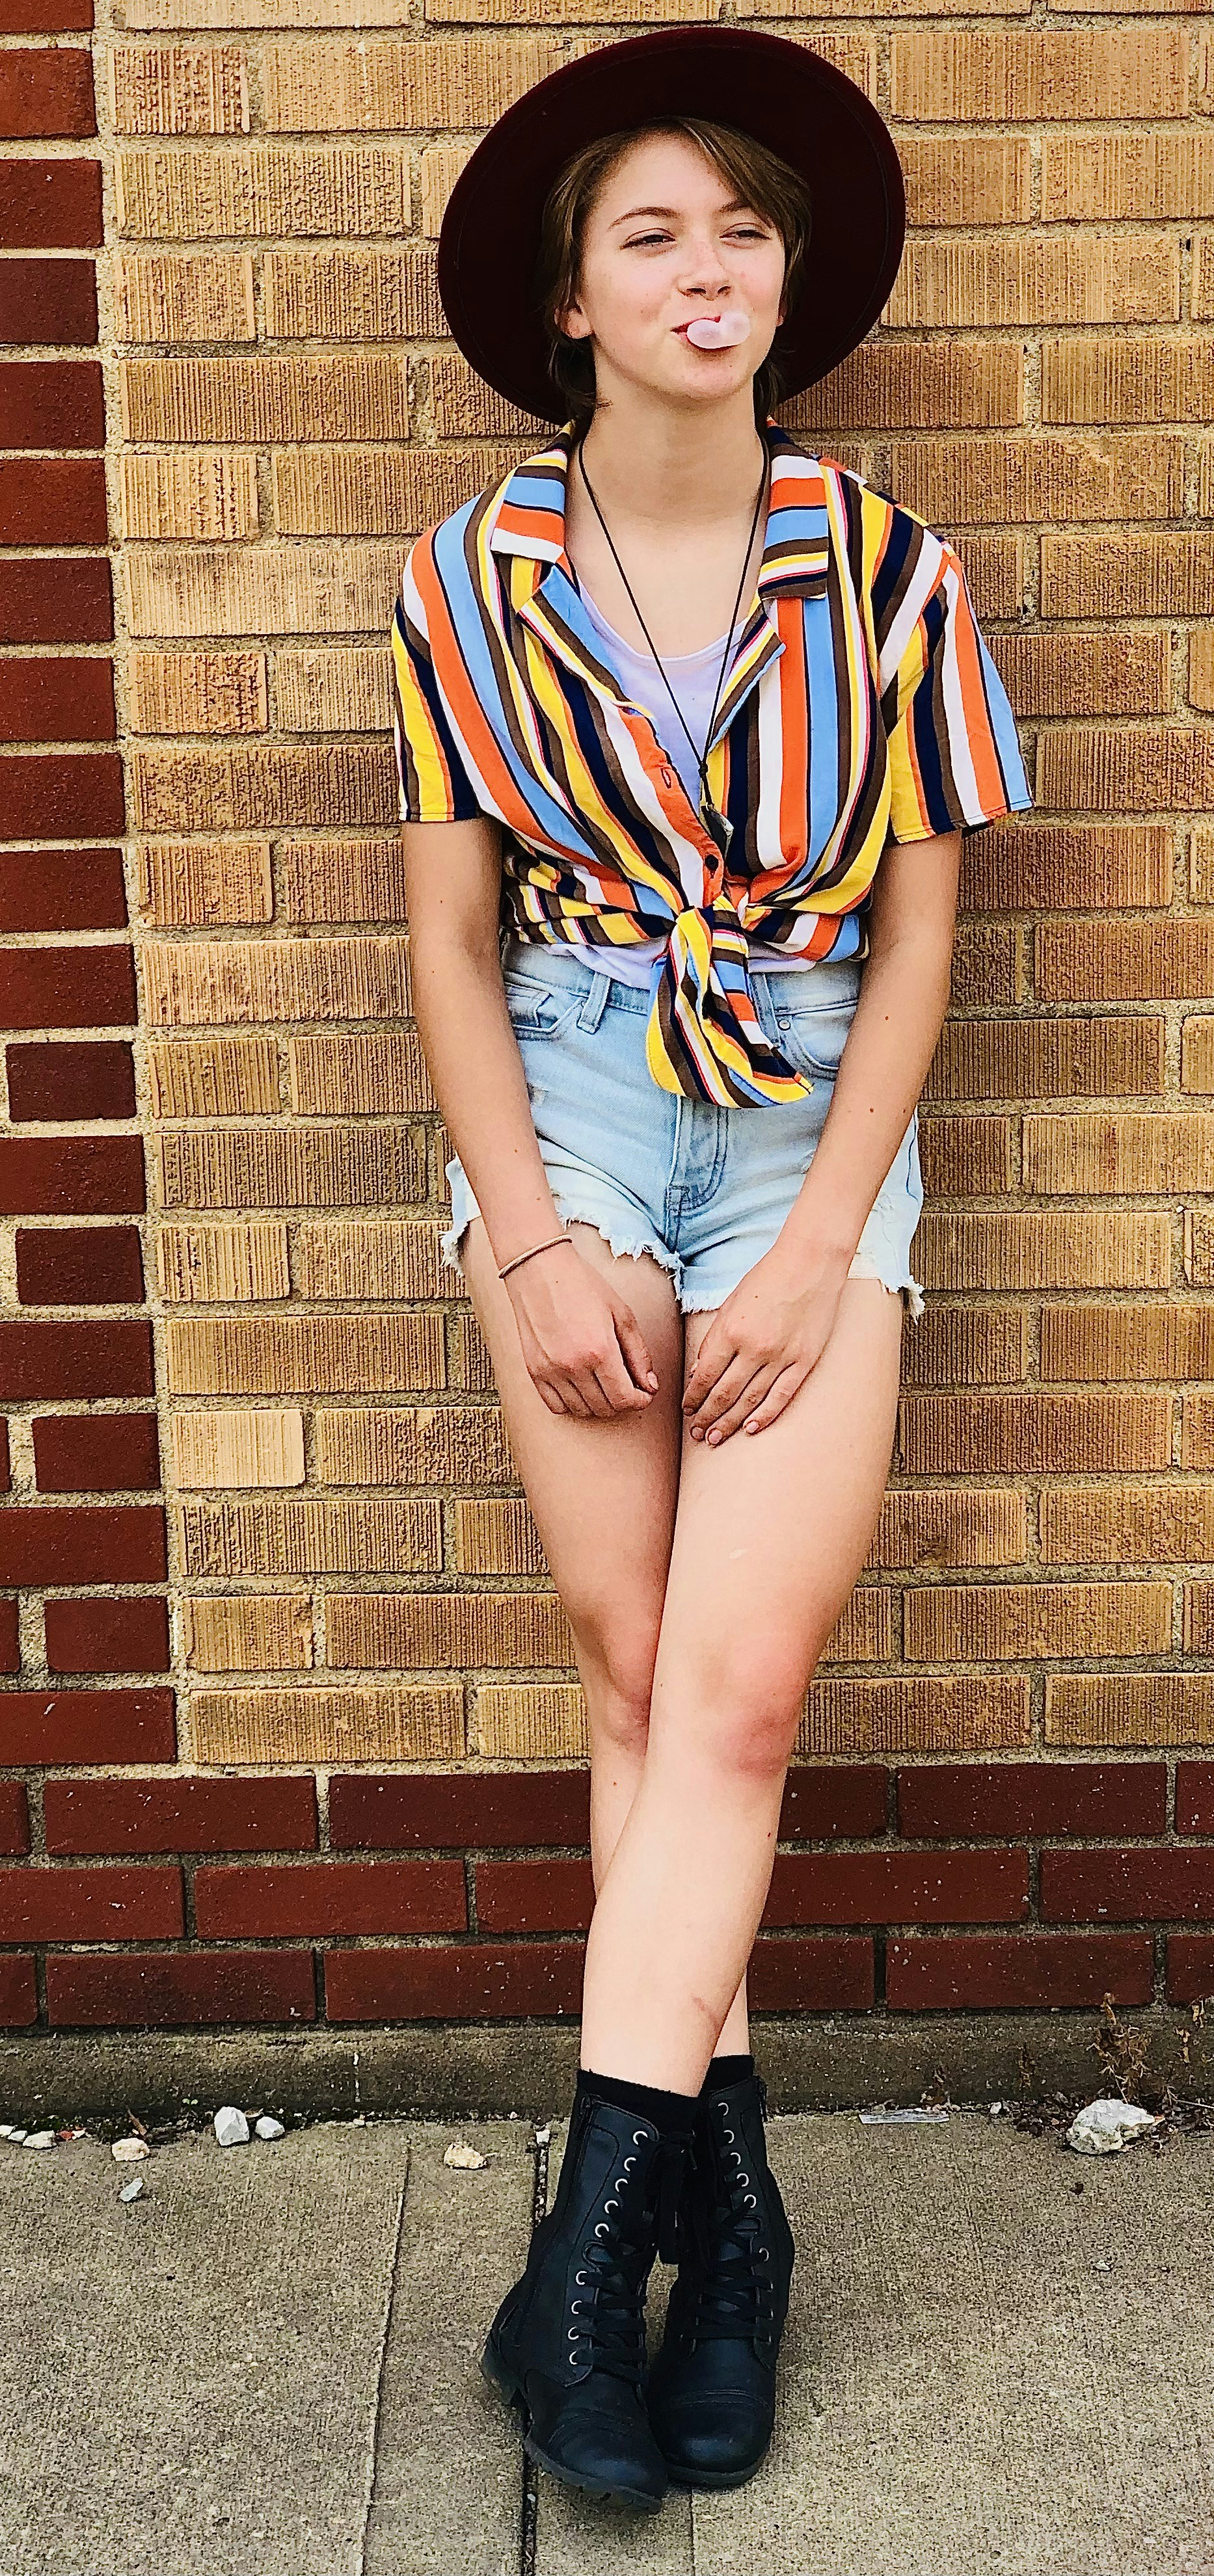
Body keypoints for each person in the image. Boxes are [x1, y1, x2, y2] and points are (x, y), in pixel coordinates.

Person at [390, 26, 1034, 2515]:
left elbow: (921, 935)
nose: (702, 270)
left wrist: (813, 1243)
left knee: (736, 1699)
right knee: (636, 1673)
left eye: (737, 233)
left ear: (786, 284)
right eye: (647, 235)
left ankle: (578, 2264)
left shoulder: (888, 567)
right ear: (568, 301)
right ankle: (731, 2226)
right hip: (566, 1096)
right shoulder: (468, 578)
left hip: (801, 1116)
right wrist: (533, 1234)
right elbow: (450, 942)